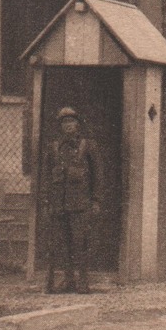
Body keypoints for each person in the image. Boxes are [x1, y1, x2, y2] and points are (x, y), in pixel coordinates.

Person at [42, 106, 102, 295]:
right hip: (59, 204)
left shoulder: (88, 146)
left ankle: (83, 281)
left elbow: (98, 175)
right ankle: (68, 280)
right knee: (61, 243)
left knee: (80, 242)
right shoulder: (53, 148)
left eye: (71, 121)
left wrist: (95, 200)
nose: (68, 125)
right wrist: (46, 202)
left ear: (77, 124)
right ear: (60, 126)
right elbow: (46, 178)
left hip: (80, 204)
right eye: (64, 122)